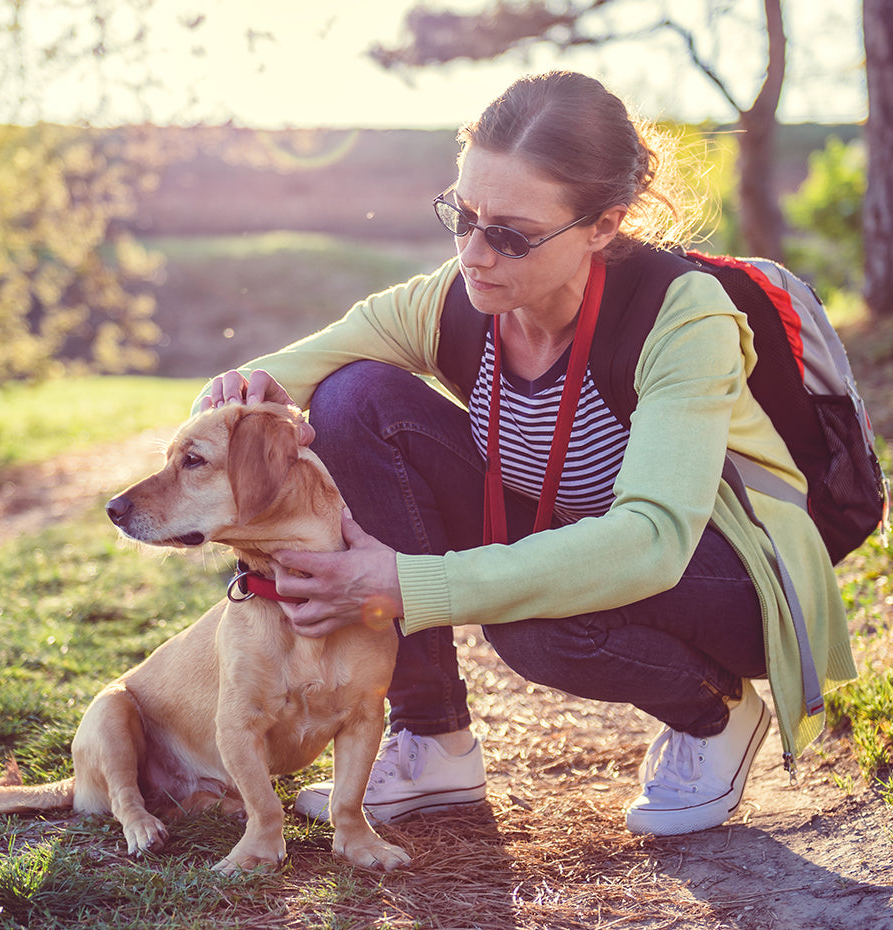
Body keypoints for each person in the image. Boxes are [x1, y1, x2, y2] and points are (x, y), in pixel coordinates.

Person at [195, 71, 857, 836]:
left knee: (534, 626)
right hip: (581, 530)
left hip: (725, 568)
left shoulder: (683, 317)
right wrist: (231, 402)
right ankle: (433, 738)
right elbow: (292, 374)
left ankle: (716, 711)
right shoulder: (460, 298)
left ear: (604, 226)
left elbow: (650, 543)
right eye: (462, 215)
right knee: (354, 398)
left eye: (509, 233)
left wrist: (409, 583)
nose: (476, 254)